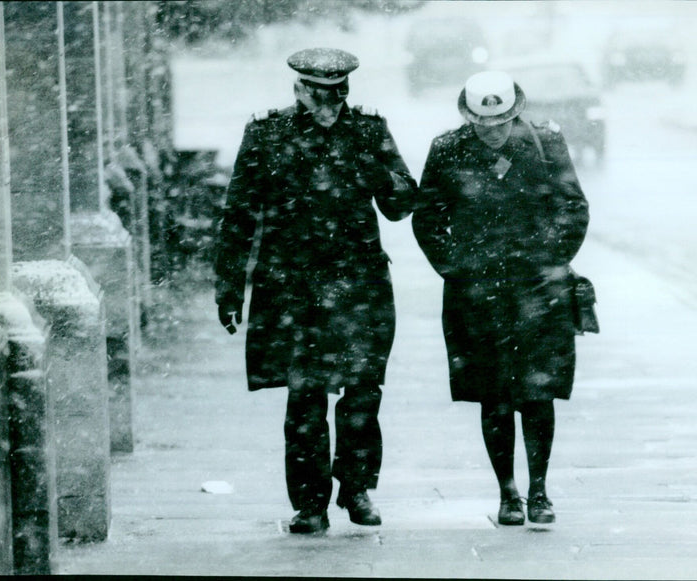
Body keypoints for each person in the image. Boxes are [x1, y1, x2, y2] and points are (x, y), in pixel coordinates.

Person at [214, 48, 418, 534]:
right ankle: (309, 504)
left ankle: (357, 488)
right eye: (320, 93)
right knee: (305, 398)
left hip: (359, 285)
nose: (331, 102)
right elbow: (239, 214)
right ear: (299, 90)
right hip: (293, 289)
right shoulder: (267, 133)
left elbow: (403, 202)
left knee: (363, 392)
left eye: (340, 92)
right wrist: (228, 287)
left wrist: (378, 172)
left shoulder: (369, 130)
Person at [412, 71, 590, 525]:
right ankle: (507, 492)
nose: (492, 132)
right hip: (476, 294)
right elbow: (427, 217)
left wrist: (553, 262)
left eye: (501, 122)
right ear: (468, 117)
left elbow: (573, 207)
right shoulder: (448, 149)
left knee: (538, 392)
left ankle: (539, 490)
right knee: (493, 395)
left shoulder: (546, 144)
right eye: (482, 124)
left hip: (539, 289)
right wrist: (455, 268)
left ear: (516, 113)